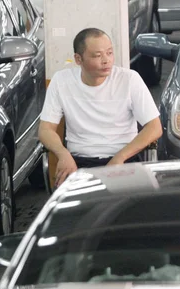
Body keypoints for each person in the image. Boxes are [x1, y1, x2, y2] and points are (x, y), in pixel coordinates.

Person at [38, 28, 162, 187]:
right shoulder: (61, 81)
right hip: (80, 162)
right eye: (97, 55)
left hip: (124, 160)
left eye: (109, 53)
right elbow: (45, 129)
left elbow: (154, 127)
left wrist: (120, 158)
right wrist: (63, 154)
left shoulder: (129, 79)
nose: (106, 60)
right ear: (78, 59)